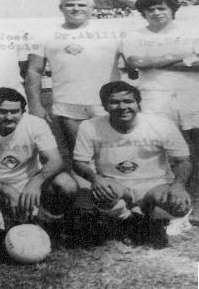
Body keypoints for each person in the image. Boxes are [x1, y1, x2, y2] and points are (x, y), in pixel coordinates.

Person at [73, 81, 192, 241]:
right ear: (104, 106)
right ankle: (127, 218)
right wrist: (96, 179)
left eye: (128, 101)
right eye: (114, 102)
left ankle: (152, 216)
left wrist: (178, 186)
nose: (122, 107)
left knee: (177, 205)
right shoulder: (89, 126)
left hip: (155, 184)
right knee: (104, 194)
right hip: (117, 184)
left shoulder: (162, 125)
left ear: (138, 103)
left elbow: (183, 161)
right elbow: (79, 162)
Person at [0, 88, 77, 231]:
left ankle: (46, 221)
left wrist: (36, 182)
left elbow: (56, 160)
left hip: (28, 180)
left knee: (67, 184)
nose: (9, 117)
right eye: (2, 111)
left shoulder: (35, 124)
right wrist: (6, 190)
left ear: (23, 112)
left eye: (15, 111)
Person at [121, 0, 199, 199]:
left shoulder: (192, 30)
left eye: (161, 7)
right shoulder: (134, 35)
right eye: (150, 9)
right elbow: (137, 63)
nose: (156, 12)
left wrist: (155, 61)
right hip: (154, 95)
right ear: (143, 13)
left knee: (196, 144)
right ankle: (172, 197)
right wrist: (183, 55)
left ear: (172, 9)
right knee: (165, 147)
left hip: (192, 93)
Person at [25, 0, 122, 155]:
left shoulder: (112, 32)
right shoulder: (44, 34)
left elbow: (133, 59)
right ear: (61, 8)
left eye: (82, 5)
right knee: (79, 153)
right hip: (67, 102)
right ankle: (86, 181)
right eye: (70, 4)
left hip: (106, 101)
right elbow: (34, 70)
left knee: (112, 152)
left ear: (91, 8)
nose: (76, 9)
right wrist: (35, 104)